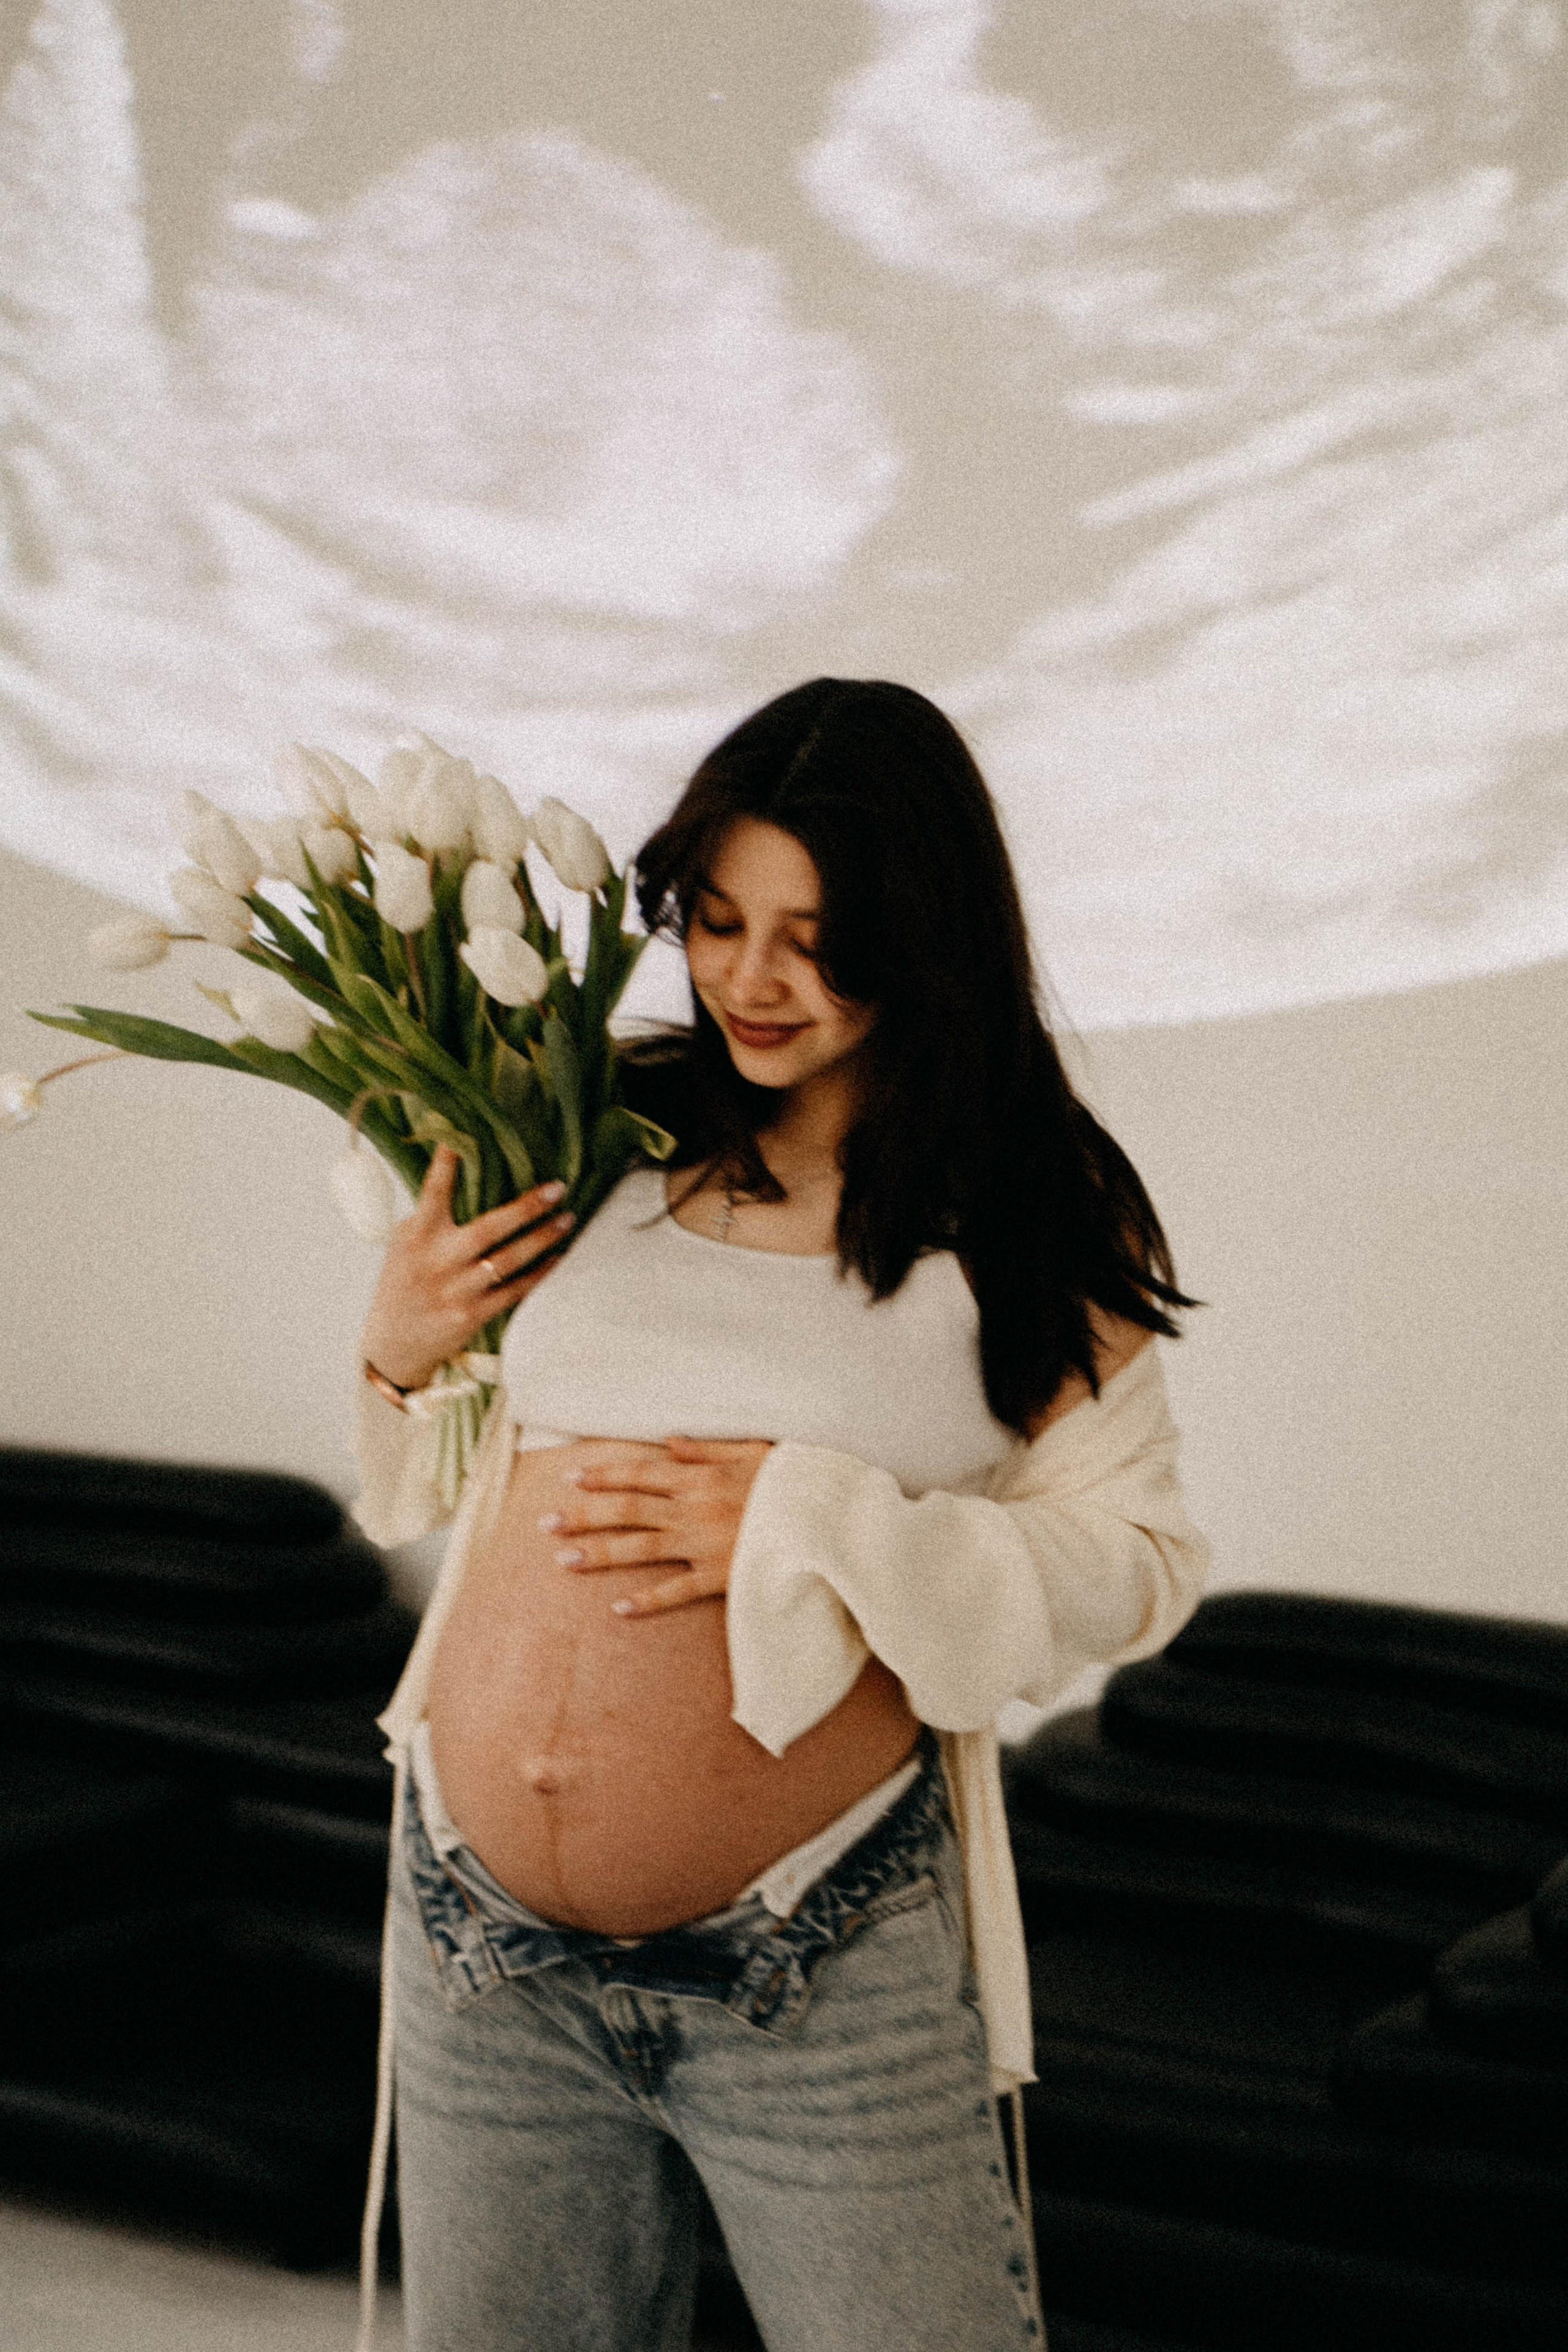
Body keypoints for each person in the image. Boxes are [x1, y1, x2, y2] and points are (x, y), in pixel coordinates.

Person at [350, 678, 1210, 2352]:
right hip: (475, 1941)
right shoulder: (591, 1126)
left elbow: (1142, 1562)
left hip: (811, 1959)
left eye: (816, 938)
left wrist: (812, 1514)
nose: (753, 979)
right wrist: (396, 1357)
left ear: (930, 938)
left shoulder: (1030, 1206)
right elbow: (454, 1468)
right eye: (722, 922)